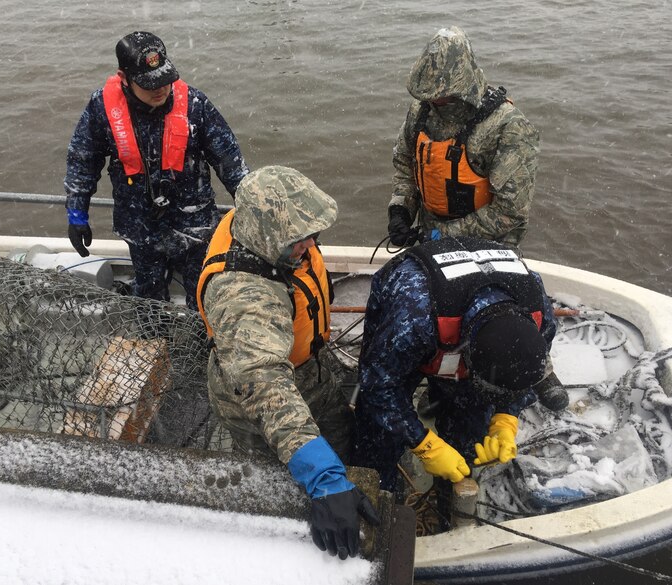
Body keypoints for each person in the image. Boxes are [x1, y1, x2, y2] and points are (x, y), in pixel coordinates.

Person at [196, 165, 380, 559]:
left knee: (340, 433)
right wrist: (324, 479)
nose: (310, 244)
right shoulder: (244, 297)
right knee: (282, 481)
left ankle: (337, 465)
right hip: (258, 397)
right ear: (266, 235)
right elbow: (264, 386)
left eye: (312, 234)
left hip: (311, 371)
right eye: (299, 239)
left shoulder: (256, 225)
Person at [352, 235, 567, 497]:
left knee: (470, 431)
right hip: (417, 307)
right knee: (377, 431)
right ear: (468, 358)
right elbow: (378, 385)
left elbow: (525, 375)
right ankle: (381, 491)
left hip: (465, 330)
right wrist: (423, 444)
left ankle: (448, 498)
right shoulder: (414, 318)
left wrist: (506, 418)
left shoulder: (538, 312)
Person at [65, 31, 249, 309]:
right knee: (149, 300)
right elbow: (82, 161)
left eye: (164, 79)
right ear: (124, 77)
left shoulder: (195, 105)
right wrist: (77, 212)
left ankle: (199, 334)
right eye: (149, 84)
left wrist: (252, 208)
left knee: (205, 296)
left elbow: (231, 163)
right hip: (140, 227)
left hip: (195, 226)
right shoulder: (101, 108)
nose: (160, 89)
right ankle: (155, 333)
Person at [387, 26, 539, 250]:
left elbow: (509, 212)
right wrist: (400, 209)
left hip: (489, 245)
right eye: (428, 96)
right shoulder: (421, 112)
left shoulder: (509, 127)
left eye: (440, 96)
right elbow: (405, 165)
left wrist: (440, 235)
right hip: (430, 239)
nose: (433, 102)